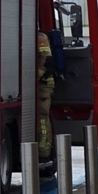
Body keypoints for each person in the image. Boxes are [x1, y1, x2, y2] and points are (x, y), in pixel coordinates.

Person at [36, 32, 56, 161]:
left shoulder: (40, 38)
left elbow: (46, 61)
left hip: (43, 85)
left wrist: (34, 76)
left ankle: (44, 152)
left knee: (42, 119)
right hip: (39, 85)